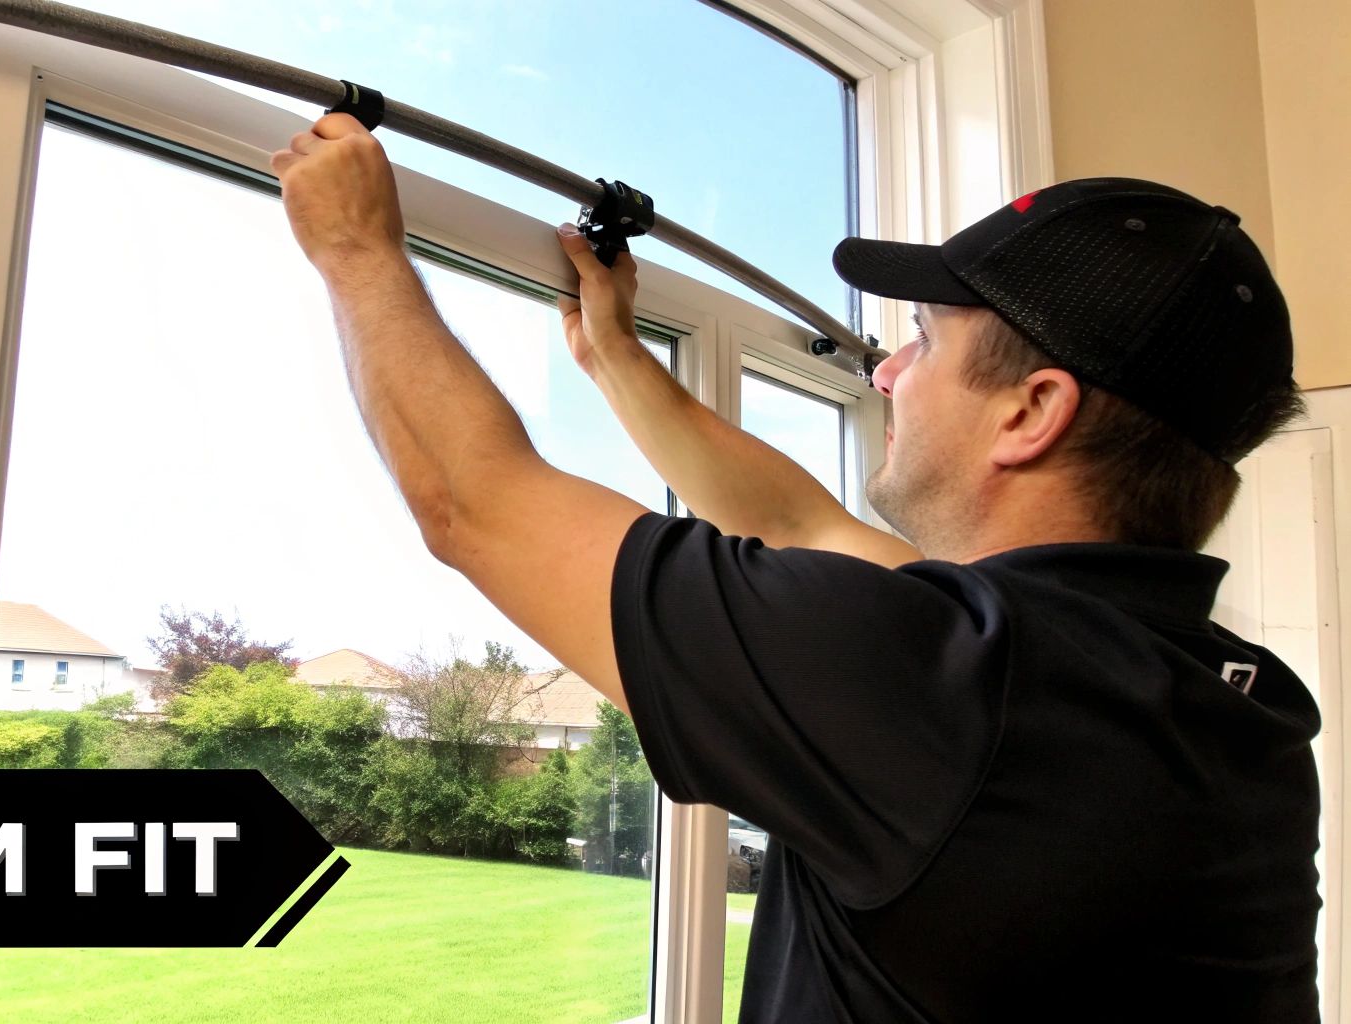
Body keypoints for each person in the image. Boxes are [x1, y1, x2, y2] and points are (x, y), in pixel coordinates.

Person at [270, 114, 1320, 1021]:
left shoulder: (945, 693)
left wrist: (357, 250)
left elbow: (473, 503)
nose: (888, 372)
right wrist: (622, 362)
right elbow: (803, 525)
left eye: (923, 340)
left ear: (1030, 410)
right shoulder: (1234, 709)